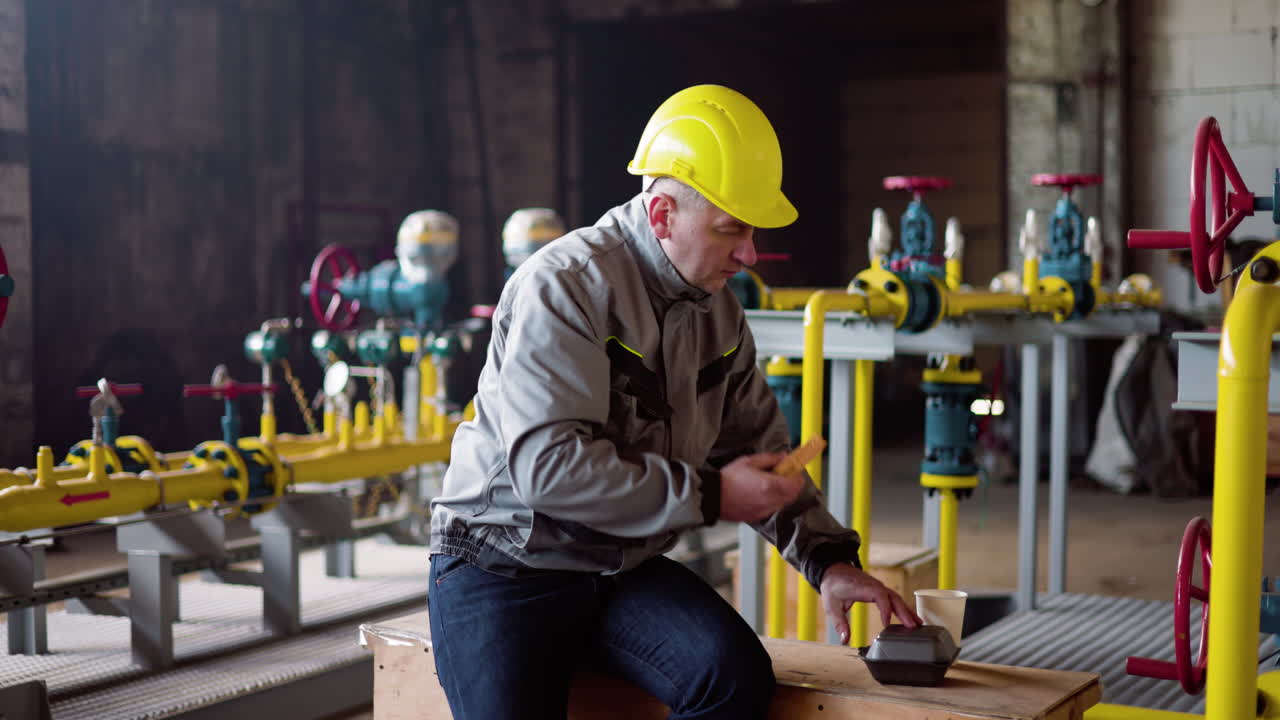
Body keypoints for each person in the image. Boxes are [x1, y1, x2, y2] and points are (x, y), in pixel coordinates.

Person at [428, 84, 920, 720]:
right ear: (661, 215)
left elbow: (763, 451)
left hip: (616, 566)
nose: (750, 254)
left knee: (735, 680)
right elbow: (547, 470)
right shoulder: (565, 287)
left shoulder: (719, 311)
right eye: (731, 230)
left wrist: (827, 561)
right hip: (502, 564)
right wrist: (712, 496)